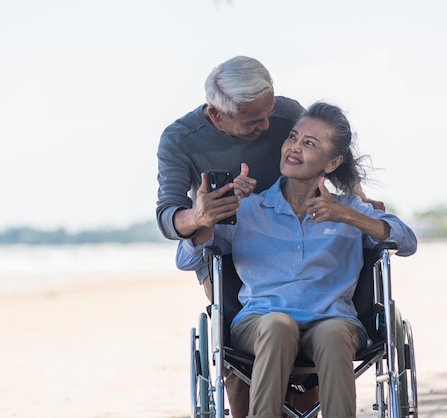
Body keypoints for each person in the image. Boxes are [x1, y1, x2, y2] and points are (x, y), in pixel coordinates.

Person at [175, 102, 418, 418]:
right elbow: (185, 258)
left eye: (309, 143)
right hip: (260, 323)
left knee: (332, 334)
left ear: (332, 163)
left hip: (332, 321)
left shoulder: (349, 209)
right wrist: (206, 216)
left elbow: (407, 241)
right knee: (279, 325)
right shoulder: (248, 209)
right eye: (292, 137)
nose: (294, 148)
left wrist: (348, 215)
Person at [156, 55, 309, 417]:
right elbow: (167, 217)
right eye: (254, 122)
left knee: (304, 329)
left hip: (291, 242)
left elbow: (331, 155)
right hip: (224, 249)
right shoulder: (180, 139)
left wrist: (359, 196)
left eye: (269, 113)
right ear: (215, 115)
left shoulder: (290, 113)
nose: (268, 125)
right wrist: (200, 214)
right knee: (235, 340)